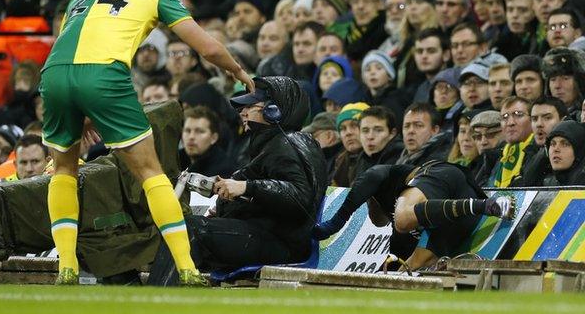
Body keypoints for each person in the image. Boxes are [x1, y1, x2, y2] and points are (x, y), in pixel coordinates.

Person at [40, 0, 254, 286]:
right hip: (104, 75)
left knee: (64, 170)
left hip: (54, 73)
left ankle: (66, 268)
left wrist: (81, 106)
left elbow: (74, 45)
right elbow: (208, 47)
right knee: (151, 172)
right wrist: (237, 71)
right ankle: (187, 269)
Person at [148, 76, 327, 286]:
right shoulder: (274, 143)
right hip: (270, 237)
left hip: (282, 245)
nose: (242, 112)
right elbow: (268, 201)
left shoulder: (286, 143)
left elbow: (299, 197)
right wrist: (231, 204)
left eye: (250, 106)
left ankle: (155, 298)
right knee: (184, 228)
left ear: (273, 110)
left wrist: (246, 187)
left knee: (187, 229)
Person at [313, 160, 516, 269]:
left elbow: (353, 201)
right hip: (455, 212)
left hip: (438, 174)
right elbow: (380, 224)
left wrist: (330, 226)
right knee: (413, 267)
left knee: (402, 220)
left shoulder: (378, 177)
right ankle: (484, 205)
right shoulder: (397, 240)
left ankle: (486, 205)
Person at [544, 120, 585, 186]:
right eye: (552, 144)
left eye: (565, 144)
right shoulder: (548, 183)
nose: (556, 149)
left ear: (578, 151)